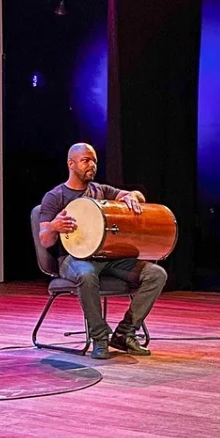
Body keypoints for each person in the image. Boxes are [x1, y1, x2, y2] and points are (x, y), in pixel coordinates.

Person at [37, 143, 168, 360]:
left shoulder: (101, 191)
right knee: (86, 274)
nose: (92, 165)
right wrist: (53, 226)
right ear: (71, 164)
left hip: (108, 257)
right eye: (86, 160)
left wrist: (132, 196)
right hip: (73, 259)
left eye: (94, 161)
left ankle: (125, 333)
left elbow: (137, 195)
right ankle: (99, 338)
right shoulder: (55, 196)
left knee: (156, 274)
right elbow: (44, 239)